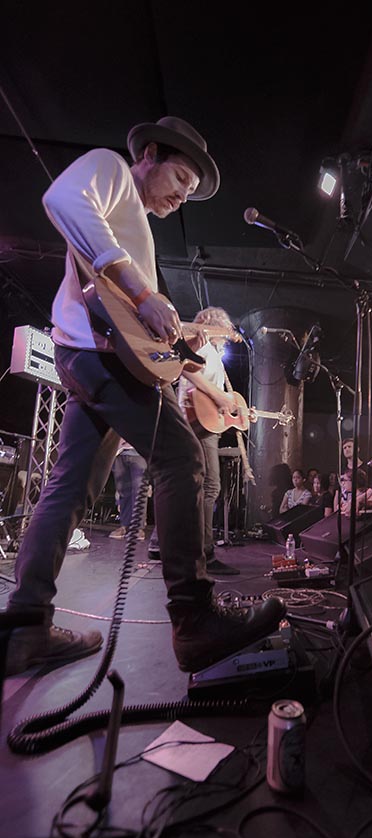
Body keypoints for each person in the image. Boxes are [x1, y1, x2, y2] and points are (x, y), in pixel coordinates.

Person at [4, 116, 284, 676]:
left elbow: (132, 321)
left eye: (189, 191)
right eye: (180, 178)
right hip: (101, 358)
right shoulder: (111, 169)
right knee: (181, 459)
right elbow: (61, 199)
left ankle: (25, 627)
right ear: (150, 154)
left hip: (91, 356)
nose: (182, 197)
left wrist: (176, 340)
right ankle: (194, 619)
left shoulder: (134, 225)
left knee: (69, 488)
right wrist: (141, 291)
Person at [177, 306, 241, 576]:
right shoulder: (203, 345)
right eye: (224, 327)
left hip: (202, 420)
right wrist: (219, 396)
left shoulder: (211, 353)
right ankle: (204, 553)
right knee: (210, 485)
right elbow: (186, 371)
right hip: (198, 422)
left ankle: (161, 543)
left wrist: (232, 410)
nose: (227, 334)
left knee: (187, 485)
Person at [110, 439, 148, 541]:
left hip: (139, 451)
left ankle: (138, 527)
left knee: (139, 490)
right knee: (123, 490)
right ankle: (124, 525)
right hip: (119, 452)